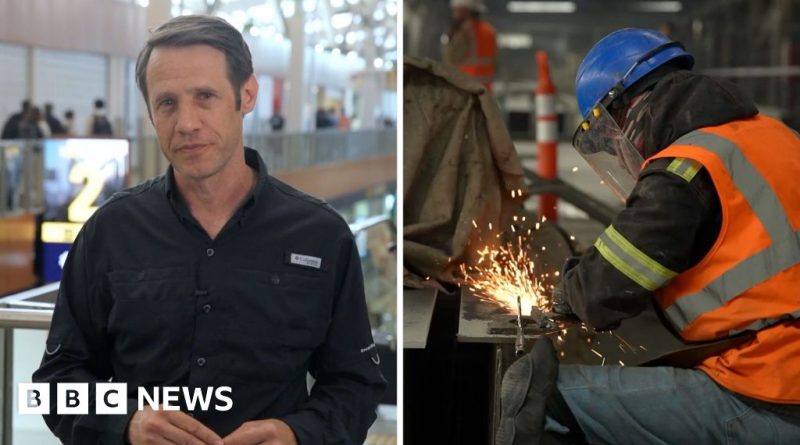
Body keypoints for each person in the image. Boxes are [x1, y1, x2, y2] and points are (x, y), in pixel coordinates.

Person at [33, 14, 385, 445]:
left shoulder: (320, 235)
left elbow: (357, 385)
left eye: (205, 96)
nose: (186, 122)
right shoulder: (110, 232)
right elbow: (54, 385)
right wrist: (125, 424)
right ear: (150, 112)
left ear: (247, 94)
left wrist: (297, 434)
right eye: (167, 103)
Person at [497, 28, 800, 444]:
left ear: (624, 112)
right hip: (785, 374)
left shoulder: (686, 167)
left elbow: (609, 282)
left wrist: (568, 292)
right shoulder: (775, 136)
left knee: (541, 397)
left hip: (773, 394)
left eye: (608, 139)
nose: (618, 152)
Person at [441, 0, 497, 91]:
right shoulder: (489, 31)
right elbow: (495, 64)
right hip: (485, 91)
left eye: (456, 10)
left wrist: (451, 36)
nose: (453, 14)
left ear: (465, 11)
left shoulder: (463, 32)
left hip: (464, 90)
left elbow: (450, 59)